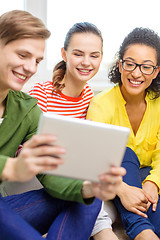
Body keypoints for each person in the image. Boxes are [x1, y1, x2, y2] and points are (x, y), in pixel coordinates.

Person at [0, 10, 126, 240]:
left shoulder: (25, 108)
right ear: (65, 55)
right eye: (22, 55)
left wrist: (89, 188)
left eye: (37, 60)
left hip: (15, 202)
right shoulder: (39, 96)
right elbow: (27, 167)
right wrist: (13, 167)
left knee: (88, 198)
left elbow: (49, 168)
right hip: (22, 183)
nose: (30, 68)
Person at [29, 21, 120, 239]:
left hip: (74, 183)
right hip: (38, 180)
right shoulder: (41, 93)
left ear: (101, 57)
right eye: (78, 54)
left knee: (94, 199)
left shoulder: (90, 98)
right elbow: (28, 150)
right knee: (92, 202)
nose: (86, 62)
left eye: (94, 55)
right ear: (64, 54)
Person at [87, 27, 160, 240]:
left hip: (149, 178)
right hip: (116, 179)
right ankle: (141, 231)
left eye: (146, 67)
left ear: (156, 71)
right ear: (120, 65)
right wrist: (123, 190)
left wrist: (153, 183)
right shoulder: (101, 105)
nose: (136, 73)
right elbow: (97, 159)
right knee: (123, 152)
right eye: (130, 64)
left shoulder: (158, 104)